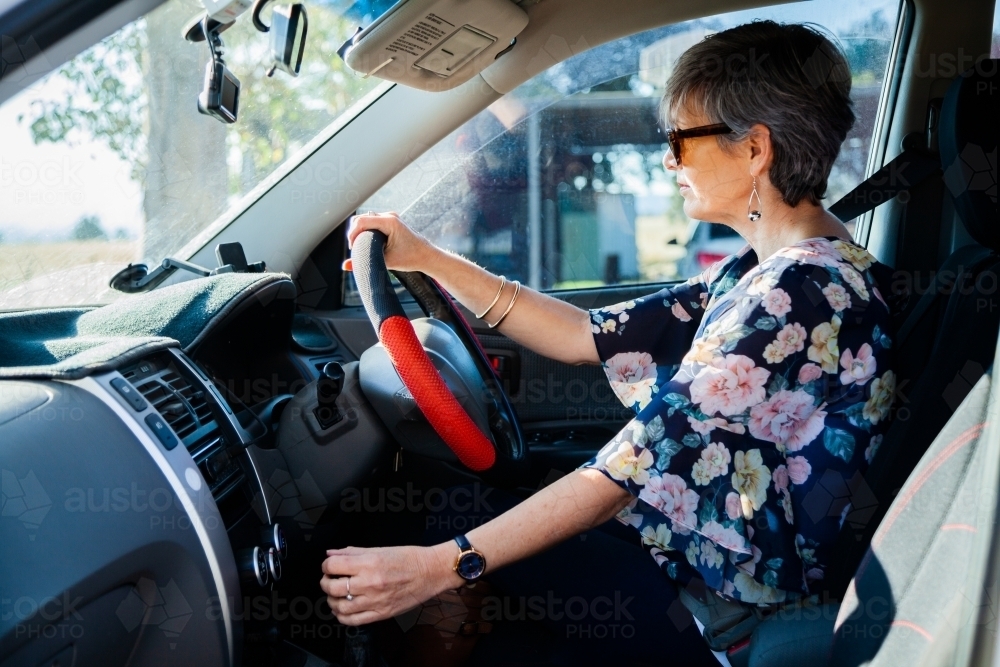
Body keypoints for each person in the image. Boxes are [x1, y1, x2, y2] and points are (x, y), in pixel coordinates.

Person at [321, 20, 895, 664]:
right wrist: (427, 257)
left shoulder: (798, 294)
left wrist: (436, 569)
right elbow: (580, 336)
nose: (669, 159)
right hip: (688, 562)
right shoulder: (769, 272)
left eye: (681, 138)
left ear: (755, 148)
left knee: (446, 532)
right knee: (455, 517)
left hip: (721, 606)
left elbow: (621, 476)